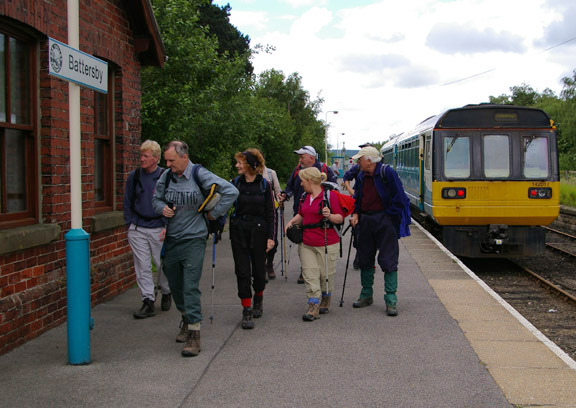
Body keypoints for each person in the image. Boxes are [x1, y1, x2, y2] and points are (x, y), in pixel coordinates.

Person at [152, 141, 239, 357]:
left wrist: (214, 213)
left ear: (184, 157)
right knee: (175, 285)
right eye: (166, 160)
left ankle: (194, 333)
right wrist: (162, 208)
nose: (168, 164)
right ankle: (185, 316)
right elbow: (155, 199)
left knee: (190, 285)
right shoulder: (167, 176)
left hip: (194, 238)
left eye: (171, 160)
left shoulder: (199, 174)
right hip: (172, 239)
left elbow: (231, 191)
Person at [349, 146, 410, 317]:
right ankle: (366, 295)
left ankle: (391, 300)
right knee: (365, 257)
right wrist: (355, 213)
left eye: (360, 159)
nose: (358, 162)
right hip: (366, 220)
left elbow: (400, 198)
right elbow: (358, 197)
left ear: (369, 160)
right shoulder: (362, 175)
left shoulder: (387, 173)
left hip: (384, 220)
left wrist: (389, 216)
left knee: (388, 259)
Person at [285, 167, 345, 321]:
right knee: (310, 274)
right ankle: (313, 305)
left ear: (310, 181)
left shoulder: (330, 196)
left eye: (302, 181)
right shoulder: (304, 196)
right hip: (307, 242)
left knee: (326, 275)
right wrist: (291, 222)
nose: (300, 184)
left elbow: (340, 218)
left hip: (327, 242)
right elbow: (301, 214)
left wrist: (329, 215)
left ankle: (326, 296)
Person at [123, 140, 172, 319]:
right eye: (141, 155)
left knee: (162, 264)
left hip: (159, 227)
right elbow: (127, 201)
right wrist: (129, 223)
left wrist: (168, 226)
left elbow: (173, 203)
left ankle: (167, 291)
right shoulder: (134, 177)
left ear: (156, 158)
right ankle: (148, 300)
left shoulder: (166, 177)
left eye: (146, 156)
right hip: (137, 227)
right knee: (142, 265)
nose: (142, 159)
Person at [229, 149, 276, 329]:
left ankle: (259, 297)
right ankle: (246, 309)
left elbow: (271, 213)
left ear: (249, 164)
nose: (237, 166)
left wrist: (271, 238)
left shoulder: (264, 185)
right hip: (238, 231)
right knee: (242, 271)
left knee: (258, 271)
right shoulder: (234, 184)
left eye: (240, 162)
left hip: (259, 232)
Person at [279, 145, 337, 284]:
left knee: (318, 242)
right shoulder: (297, 171)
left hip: (320, 213)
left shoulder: (324, 169)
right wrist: (284, 195)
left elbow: (335, 188)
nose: (300, 160)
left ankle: (319, 270)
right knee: (302, 241)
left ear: (311, 157)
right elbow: (290, 188)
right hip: (301, 211)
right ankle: (305, 269)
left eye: (302, 157)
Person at [262, 164, 282, 281]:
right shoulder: (248, 173)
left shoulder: (270, 173)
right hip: (256, 212)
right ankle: (261, 266)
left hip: (271, 210)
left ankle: (269, 264)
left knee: (272, 238)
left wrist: (280, 199)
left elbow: (277, 189)